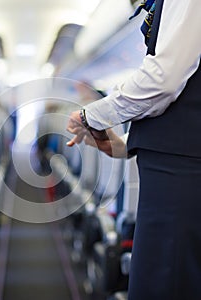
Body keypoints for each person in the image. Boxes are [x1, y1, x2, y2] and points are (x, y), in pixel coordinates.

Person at [66, 0, 201, 299]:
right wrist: (126, 145)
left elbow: (163, 78)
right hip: (178, 170)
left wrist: (91, 115)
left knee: (164, 283)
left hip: (180, 177)